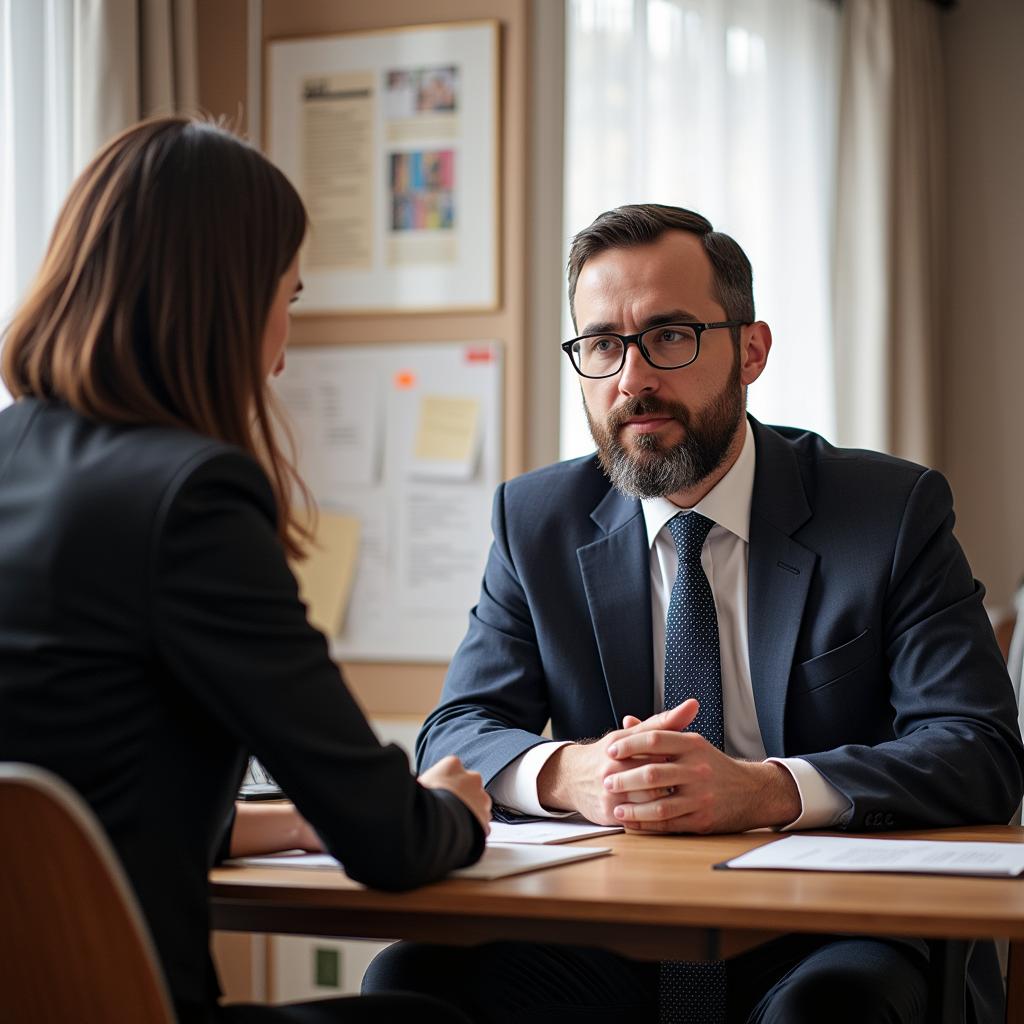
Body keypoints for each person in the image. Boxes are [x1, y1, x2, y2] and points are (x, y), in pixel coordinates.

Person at [362, 204, 1024, 1023]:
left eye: (669, 336)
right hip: (607, 930)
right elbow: (458, 729)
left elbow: (978, 749)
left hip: (832, 927)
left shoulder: (888, 510)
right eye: (602, 344)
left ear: (751, 351)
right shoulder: (536, 520)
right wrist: (576, 774)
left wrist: (768, 790)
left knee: (831, 1008)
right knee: (410, 980)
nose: (632, 379)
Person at [0, 116, 491, 1024]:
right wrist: (455, 810)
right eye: (288, 300)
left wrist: (296, 819)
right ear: (227, 305)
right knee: (432, 1012)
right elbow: (391, 842)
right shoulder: (189, 501)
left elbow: (73, 799)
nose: (283, 351)